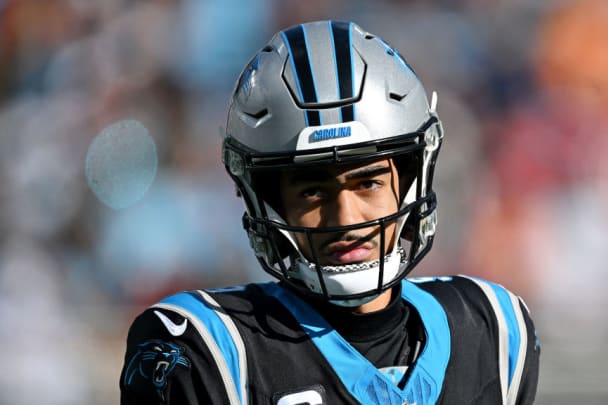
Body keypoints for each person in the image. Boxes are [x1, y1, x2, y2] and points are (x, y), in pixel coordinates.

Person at [120, 20, 540, 405]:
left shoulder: (492, 330)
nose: (345, 216)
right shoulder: (209, 350)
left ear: (412, 180)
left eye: (368, 183)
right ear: (268, 200)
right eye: (313, 191)